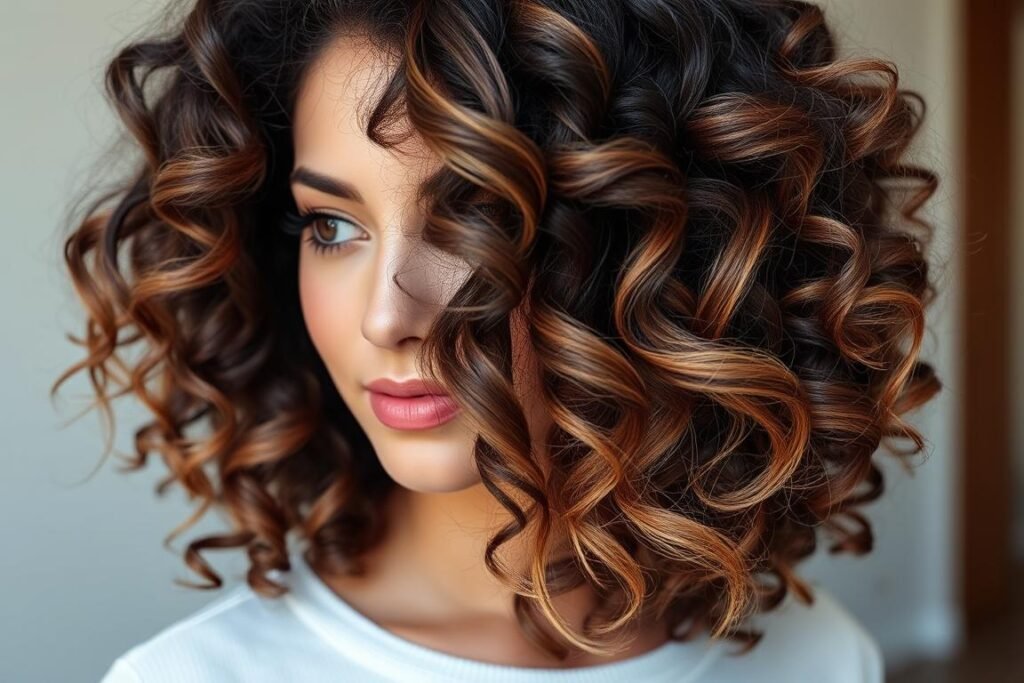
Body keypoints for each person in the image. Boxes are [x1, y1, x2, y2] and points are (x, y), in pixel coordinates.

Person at [52, 0, 942, 680]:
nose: (385, 317)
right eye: (331, 227)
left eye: (475, 215)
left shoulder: (818, 657)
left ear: (662, 250)